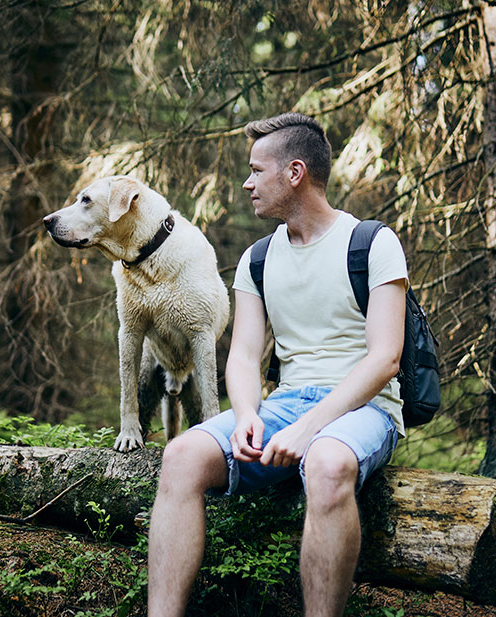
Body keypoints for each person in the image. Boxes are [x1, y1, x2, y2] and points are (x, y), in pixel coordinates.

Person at [147, 112, 409, 617]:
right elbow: (244, 355)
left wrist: (311, 428)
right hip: (286, 406)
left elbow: (385, 359)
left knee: (328, 462)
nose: (247, 184)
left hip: (365, 408)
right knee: (180, 457)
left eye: (256, 170)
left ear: (294, 173)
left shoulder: (373, 244)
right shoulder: (258, 259)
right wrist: (247, 412)